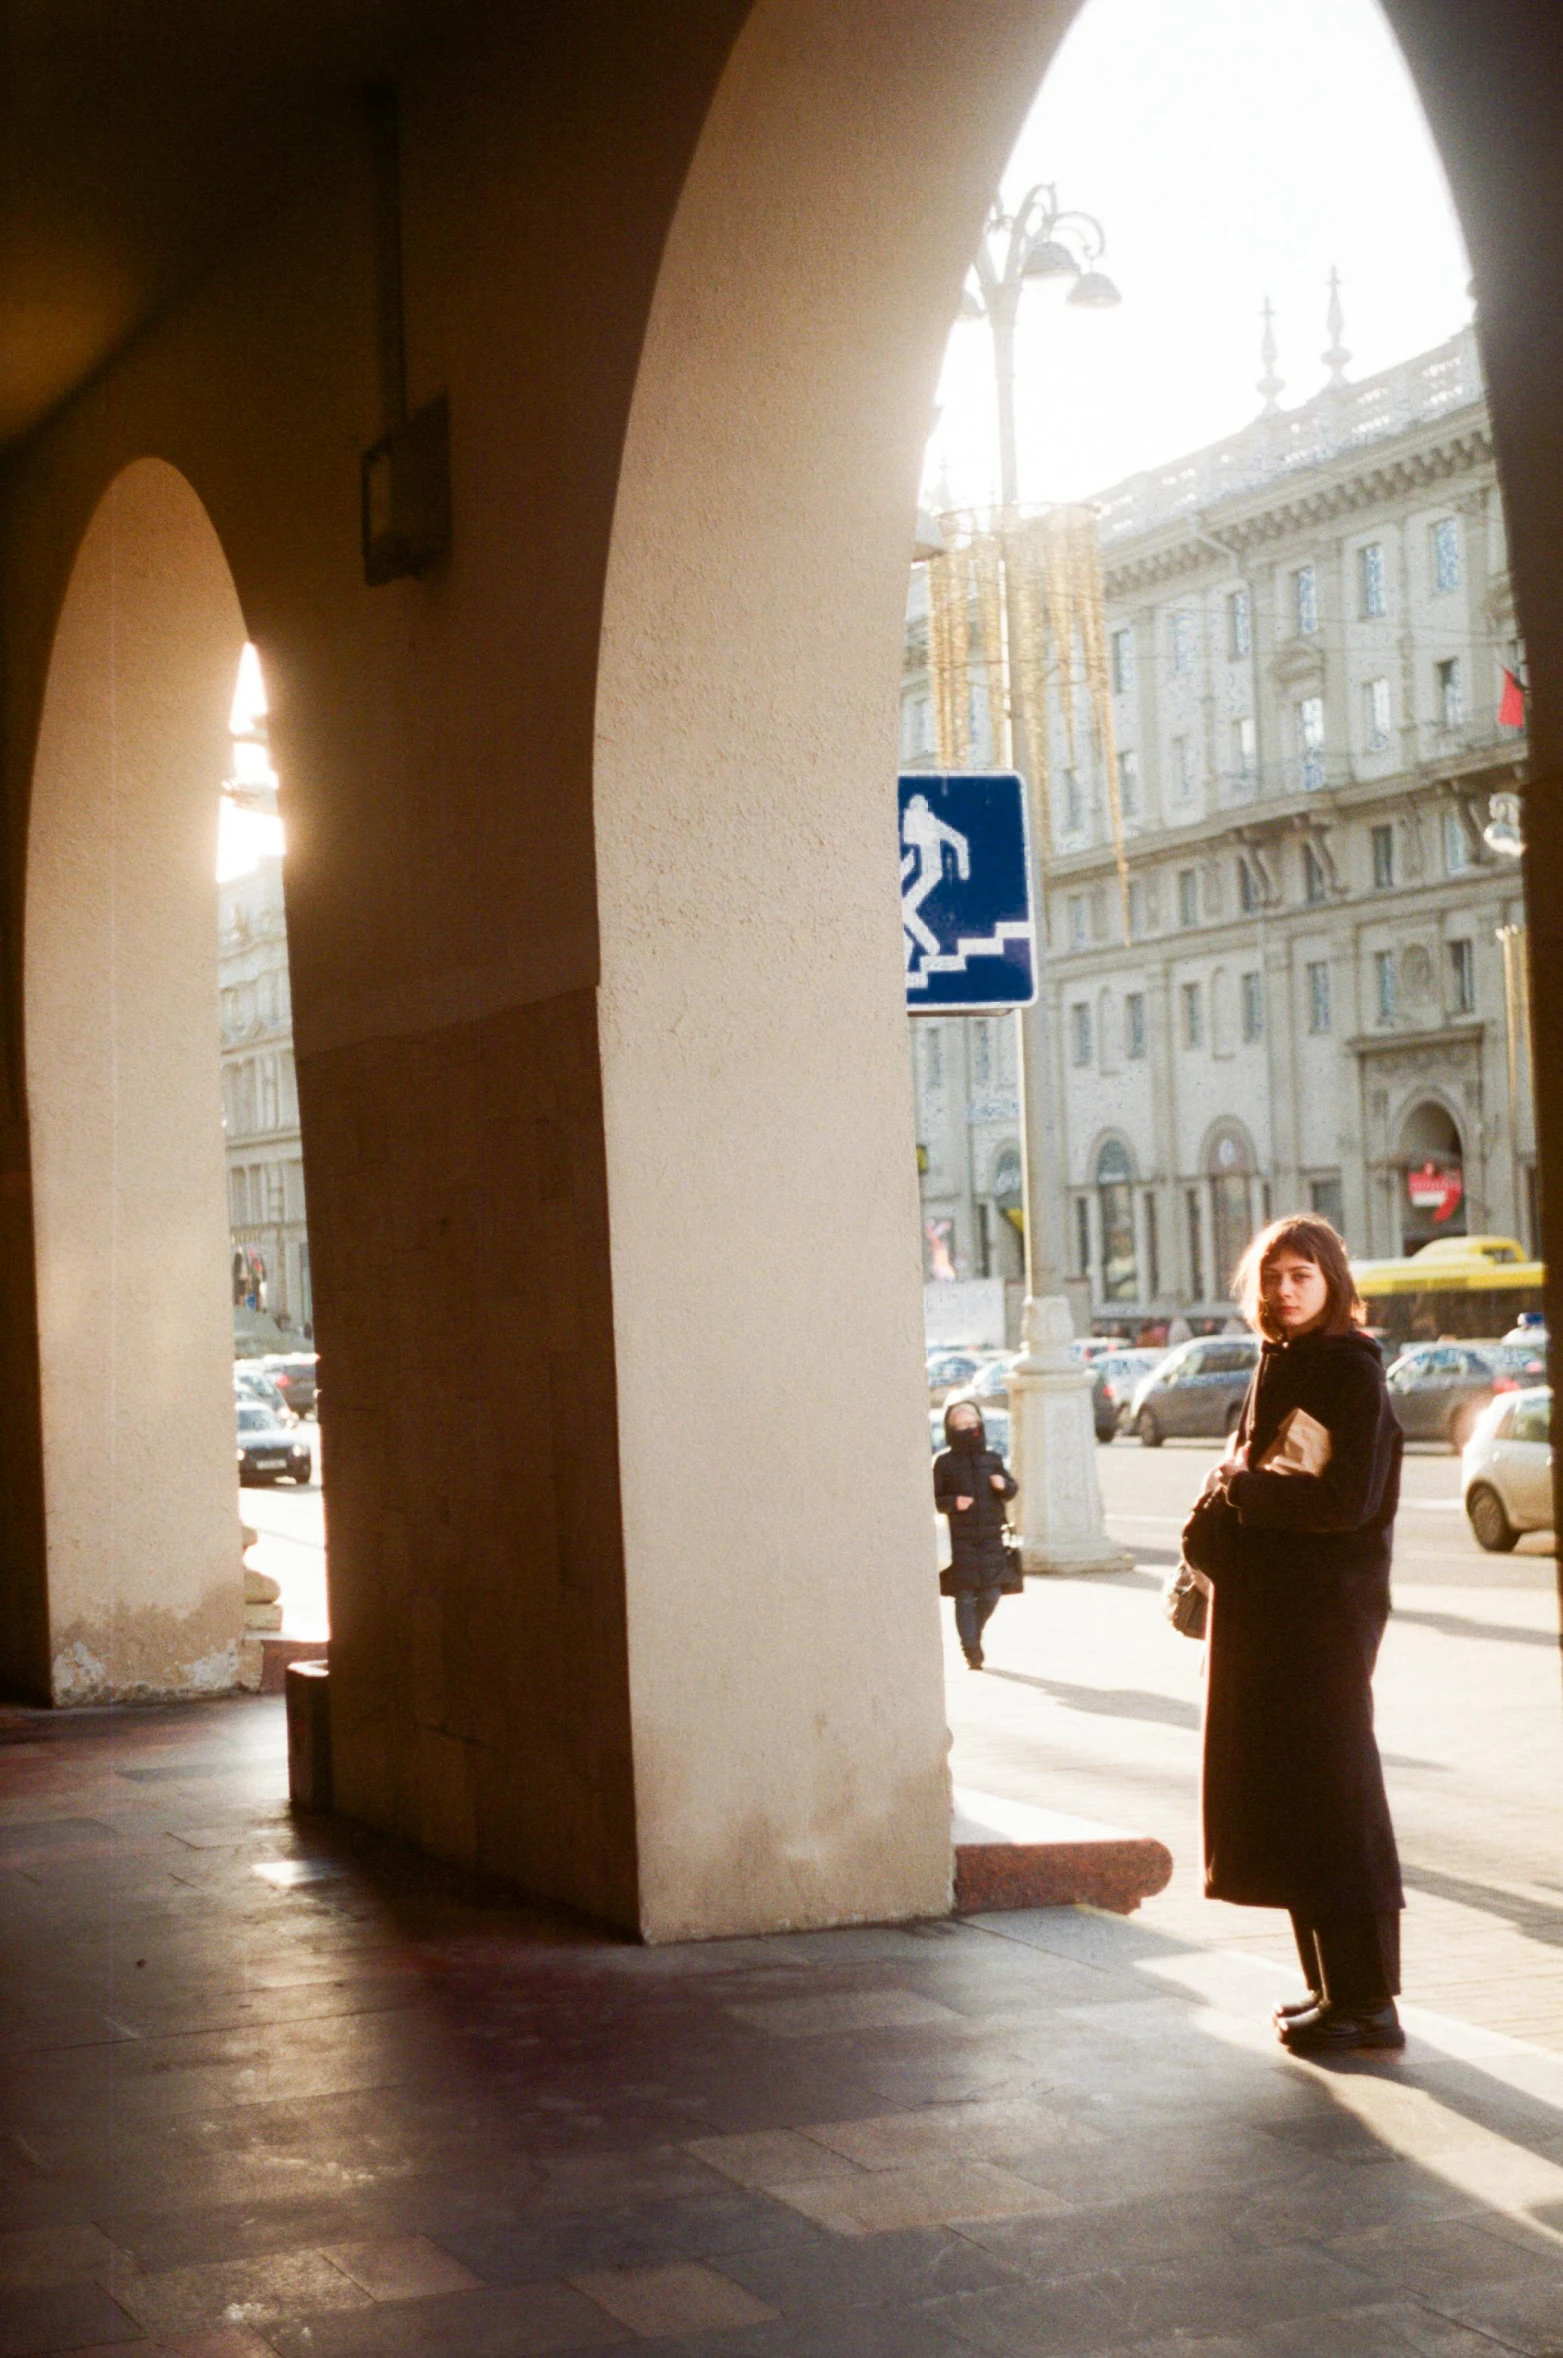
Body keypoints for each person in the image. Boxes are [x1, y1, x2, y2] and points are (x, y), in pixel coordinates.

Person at [1184, 1213, 1405, 2055]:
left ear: (1332, 1283)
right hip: (1273, 1619)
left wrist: (1243, 1494)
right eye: (1271, 1276)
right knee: (1292, 1802)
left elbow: (1345, 1503)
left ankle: (1369, 2003)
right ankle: (1330, 1990)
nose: (1282, 1291)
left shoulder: (1347, 1370)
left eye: (1300, 1276)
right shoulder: (1282, 1362)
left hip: (1321, 1622)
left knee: (1335, 1800)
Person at [934, 1399, 1017, 1669]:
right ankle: (971, 1649)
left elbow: (1012, 1489)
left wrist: (1003, 1484)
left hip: (991, 1537)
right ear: (951, 1429)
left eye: (972, 1424)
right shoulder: (944, 1463)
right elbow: (934, 1498)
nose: (968, 1430)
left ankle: (974, 1636)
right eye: (961, 1425)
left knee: (992, 1593)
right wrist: (952, 1502)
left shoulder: (991, 1459)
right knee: (965, 1595)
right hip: (960, 1540)